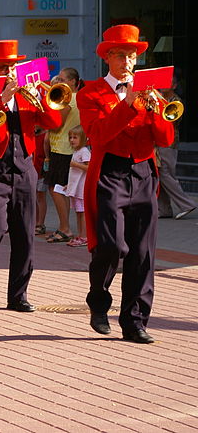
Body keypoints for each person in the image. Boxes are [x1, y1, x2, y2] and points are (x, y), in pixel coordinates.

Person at [78, 25, 174, 344]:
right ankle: (99, 301)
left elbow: (166, 138)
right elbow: (99, 134)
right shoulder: (90, 92)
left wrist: (158, 109)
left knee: (143, 253)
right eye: (120, 54)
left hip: (144, 171)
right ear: (107, 57)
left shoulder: (151, 91)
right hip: (109, 172)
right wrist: (129, 104)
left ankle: (134, 322)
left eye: (132, 55)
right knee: (111, 246)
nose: (128, 61)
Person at [0, 40, 61, 313]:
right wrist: (1, 100)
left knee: (25, 235)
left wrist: (41, 97)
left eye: (12, 66)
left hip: (25, 170)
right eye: (2, 67)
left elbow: (53, 123)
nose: (9, 71)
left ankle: (18, 294)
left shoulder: (27, 93)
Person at [44, 68, 81, 244]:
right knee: (61, 189)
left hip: (61, 148)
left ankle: (65, 227)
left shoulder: (69, 100)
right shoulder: (76, 98)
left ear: (73, 82)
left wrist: (44, 124)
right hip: (67, 148)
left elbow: (56, 125)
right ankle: (64, 226)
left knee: (56, 189)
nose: (59, 81)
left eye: (62, 78)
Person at [156, 73, 195, 220]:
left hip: (169, 142)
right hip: (158, 142)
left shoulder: (176, 101)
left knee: (166, 174)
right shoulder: (159, 98)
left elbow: (169, 122)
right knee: (160, 175)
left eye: (168, 83)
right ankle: (164, 209)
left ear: (174, 86)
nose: (163, 85)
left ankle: (187, 204)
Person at [62, 125, 89, 247]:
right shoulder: (77, 152)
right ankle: (81, 235)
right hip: (76, 188)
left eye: (75, 137)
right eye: (70, 137)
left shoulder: (84, 152)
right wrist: (69, 185)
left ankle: (84, 236)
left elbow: (89, 168)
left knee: (82, 213)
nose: (72, 140)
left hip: (81, 189)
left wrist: (75, 164)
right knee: (79, 213)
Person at [34, 127, 49, 236]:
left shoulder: (45, 136)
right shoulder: (30, 135)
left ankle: (40, 223)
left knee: (40, 196)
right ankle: (34, 222)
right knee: (32, 197)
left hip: (41, 170)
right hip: (31, 170)